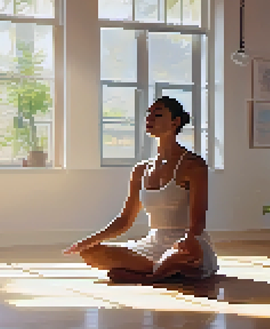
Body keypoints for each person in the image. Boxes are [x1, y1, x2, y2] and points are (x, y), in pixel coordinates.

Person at [63, 96, 219, 283]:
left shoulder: (194, 165)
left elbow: (198, 223)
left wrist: (188, 241)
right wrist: (87, 241)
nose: (149, 118)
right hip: (153, 243)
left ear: (175, 122)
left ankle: (154, 274)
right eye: (149, 114)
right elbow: (124, 220)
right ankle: (163, 270)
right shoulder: (140, 170)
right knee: (91, 253)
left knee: (185, 254)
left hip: (186, 243)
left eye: (158, 114)